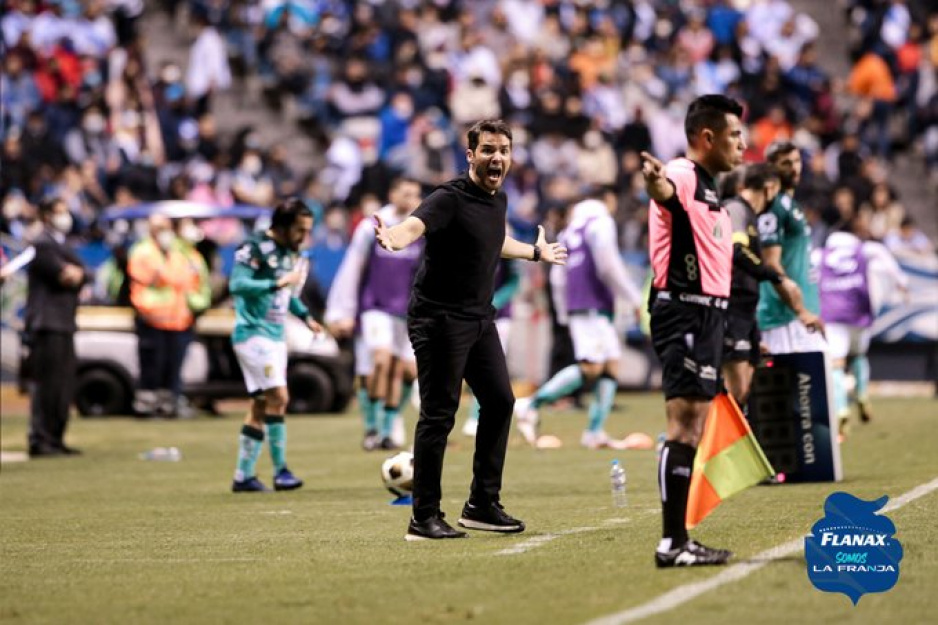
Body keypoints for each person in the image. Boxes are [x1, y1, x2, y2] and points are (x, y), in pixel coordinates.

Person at [373, 119, 567, 541]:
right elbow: (415, 225)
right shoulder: (448, 197)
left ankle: (481, 505)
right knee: (440, 414)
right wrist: (394, 237)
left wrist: (535, 252)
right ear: (471, 155)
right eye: (488, 150)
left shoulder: (496, 200)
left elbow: (493, 241)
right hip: (438, 318)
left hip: (478, 318)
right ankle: (423, 517)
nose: (497, 157)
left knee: (500, 401)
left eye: (504, 150)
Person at [641, 94, 745, 567]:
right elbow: (664, 191)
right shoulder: (683, 174)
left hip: (706, 315)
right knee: (682, 424)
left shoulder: (710, 186)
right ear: (708, 137)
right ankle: (671, 543)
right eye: (735, 135)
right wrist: (654, 181)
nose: (741, 144)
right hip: (683, 310)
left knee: (694, 425)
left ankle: (679, 538)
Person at [514, 188, 644, 449]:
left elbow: (558, 274)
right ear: (608, 199)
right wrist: (633, 298)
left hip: (578, 305)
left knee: (610, 365)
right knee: (591, 367)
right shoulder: (601, 222)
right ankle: (531, 403)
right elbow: (608, 264)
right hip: (593, 305)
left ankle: (594, 432)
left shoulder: (571, 229)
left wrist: (564, 309)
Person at [228, 198, 323, 493]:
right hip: (252, 334)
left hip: (274, 336)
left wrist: (306, 316)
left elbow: (287, 294)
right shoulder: (253, 247)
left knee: (260, 405)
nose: (303, 237)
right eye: (298, 230)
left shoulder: (289, 254)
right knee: (279, 398)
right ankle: (281, 471)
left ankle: (243, 476)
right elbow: (237, 285)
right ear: (282, 226)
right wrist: (276, 284)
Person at [325, 177, 424, 450]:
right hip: (376, 306)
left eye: (415, 195)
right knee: (381, 361)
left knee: (407, 371)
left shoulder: (420, 229)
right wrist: (341, 311)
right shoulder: (372, 227)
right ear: (392, 194)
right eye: (406, 193)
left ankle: (390, 424)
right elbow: (352, 267)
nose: (411, 199)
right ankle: (373, 427)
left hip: (408, 310)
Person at [722, 164, 823, 408]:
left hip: (745, 312)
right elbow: (737, 251)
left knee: (744, 392)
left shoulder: (749, 214)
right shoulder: (736, 209)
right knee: (733, 394)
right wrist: (773, 275)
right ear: (769, 188)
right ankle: (692, 442)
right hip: (732, 310)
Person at [818, 212, 908, 433]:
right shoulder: (865, 249)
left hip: (832, 314)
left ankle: (841, 409)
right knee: (858, 355)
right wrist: (901, 283)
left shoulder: (819, 254)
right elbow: (884, 257)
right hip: (858, 312)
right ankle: (862, 394)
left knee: (836, 363)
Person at [24, 198, 85, 457]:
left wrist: (77, 273)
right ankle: (41, 438)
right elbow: (63, 274)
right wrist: (74, 273)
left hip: (63, 321)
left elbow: (82, 273)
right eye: (60, 212)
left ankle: (56, 437)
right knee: (47, 384)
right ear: (47, 215)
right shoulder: (42, 243)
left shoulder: (60, 244)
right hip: (47, 322)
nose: (65, 217)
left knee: (62, 384)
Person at [127, 214, 203, 417]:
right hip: (152, 318)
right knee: (151, 368)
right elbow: (162, 277)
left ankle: (168, 406)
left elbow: (188, 279)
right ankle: (146, 407)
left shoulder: (176, 252)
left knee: (172, 368)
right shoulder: (143, 252)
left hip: (177, 320)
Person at [757, 141, 825, 354]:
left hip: (799, 316)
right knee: (802, 385)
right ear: (770, 166)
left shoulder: (790, 205)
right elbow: (771, 263)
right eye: (786, 163)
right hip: (784, 318)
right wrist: (801, 311)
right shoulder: (773, 206)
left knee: (820, 381)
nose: (794, 167)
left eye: (796, 161)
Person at [461, 254, 521, 438]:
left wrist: (495, 302)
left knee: (487, 366)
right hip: (466, 312)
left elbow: (515, 280)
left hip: (498, 316)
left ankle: (475, 417)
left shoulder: (503, 238)